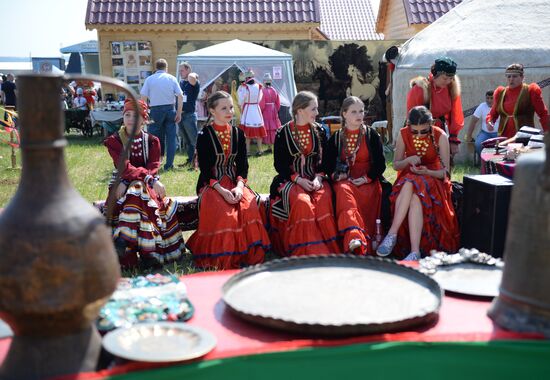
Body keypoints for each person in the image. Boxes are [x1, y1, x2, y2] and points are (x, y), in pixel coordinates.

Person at [187, 91, 270, 269]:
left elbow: (242, 165)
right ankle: (224, 256)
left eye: (231, 107)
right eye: (223, 108)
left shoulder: (238, 134)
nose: (229, 111)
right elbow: (205, 169)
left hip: (235, 181)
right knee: (225, 213)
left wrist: (240, 187)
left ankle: (247, 255)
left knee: (249, 206)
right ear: (212, 111)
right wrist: (223, 191)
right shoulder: (204, 135)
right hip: (212, 185)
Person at [104, 99, 185, 268]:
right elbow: (124, 167)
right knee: (138, 191)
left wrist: (142, 180)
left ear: (144, 119)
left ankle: (124, 240)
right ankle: (150, 253)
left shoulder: (153, 141)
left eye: (136, 115)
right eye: (127, 115)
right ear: (122, 117)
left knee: (138, 190)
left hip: (144, 186)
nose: (131, 119)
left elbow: (153, 167)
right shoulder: (114, 141)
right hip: (122, 184)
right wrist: (141, 180)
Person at [376, 106, 459, 260]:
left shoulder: (440, 136)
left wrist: (428, 172)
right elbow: (396, 165)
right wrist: (407, 160)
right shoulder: (403, 134)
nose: (419, 135)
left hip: (434, 179)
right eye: (415, 131)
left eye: (424, 131)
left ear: (431, 124)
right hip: (411, 177)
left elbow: (446, 173)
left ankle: (392, 234)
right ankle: (414, 251)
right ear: (409, 125)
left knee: (411, 183)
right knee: (413, 193)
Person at [268, 91, 341, 256]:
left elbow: (326, 161)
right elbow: (279, 164)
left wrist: (319, 177)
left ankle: (328, 250)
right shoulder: (283, 132)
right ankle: (305, 251)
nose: (317, 113)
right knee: (302, 203)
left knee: (324, 200)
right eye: (314, 109)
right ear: (300, 110)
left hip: (316, 178)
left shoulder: (320, 130)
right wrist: (298, 180)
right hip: (291, 180)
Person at [324, 96, 386, 255]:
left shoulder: (371, 135)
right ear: (344, 114)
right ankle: (353, 237)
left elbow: (380, 164)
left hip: (368, 180)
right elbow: (327, 165)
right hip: (346, 182)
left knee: (374, 192)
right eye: (354, 112)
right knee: (343, 191)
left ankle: (370, 240)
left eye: (361, 111)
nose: (359, 115)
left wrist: (366, 178)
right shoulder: (336, 138)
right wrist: (337, 176)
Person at [407, 57, 464, 158]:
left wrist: (453, 139)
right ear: (435, 75)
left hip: (441, 132)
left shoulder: (452, 89)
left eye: (451, 78)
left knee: (442, 165)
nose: (448, 82)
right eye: (445, 78)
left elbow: (456, 114)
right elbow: (411, 116)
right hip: (420, 132)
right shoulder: (420, 89)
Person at [140, 58, 184, 171]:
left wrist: (144, 112)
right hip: (170, 109)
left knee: (154, 138)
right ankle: (169, 165)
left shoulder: (149, 79)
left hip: (155, 110)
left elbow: (143, 97)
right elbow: (180, 96)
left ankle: (154, 163)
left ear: (156, 67)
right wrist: (179, 112)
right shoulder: (171, 78)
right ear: (166, 68)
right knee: (171, 138)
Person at [486, 63, 549, 139]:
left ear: (522, 77)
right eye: (509, 76)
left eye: (514, 76)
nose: (511, 79)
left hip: (525, 136)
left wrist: (547, 131)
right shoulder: (500, 93)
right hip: (504, 137)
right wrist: (490, 121)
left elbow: (543, 114)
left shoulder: (531, 90)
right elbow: (493, 114)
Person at [238, 69, 266, 155]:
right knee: (259, 130)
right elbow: (260, 98)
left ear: (246, 77)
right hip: (256, 108)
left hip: (248, 108)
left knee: (247, 131)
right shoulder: (259, 86)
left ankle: (248, 151)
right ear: (253, 76)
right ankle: (260, 150)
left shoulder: (244, 86)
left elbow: (241, 100)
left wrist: (241, 104)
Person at [178, 61, 200, 167]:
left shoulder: (193, 82)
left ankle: (198, 162)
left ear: (188, 70)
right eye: (179, 70)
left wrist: (193, 73)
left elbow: (192, 77)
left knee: (194, 141)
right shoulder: (182, 83)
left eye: (182, 70)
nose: (180, 72)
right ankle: (191, 160)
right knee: (187, 141)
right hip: (181, 115)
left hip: (189, 115)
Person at [465, 91, 499, 155]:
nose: (489, 100)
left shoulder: (500, 107)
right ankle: (483, 162)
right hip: (485, 133)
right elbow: (473, 121)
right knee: (478, 144)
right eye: (487, 98)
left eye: (491, 98)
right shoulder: (482, 106)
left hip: (498, 133)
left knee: (500, 147)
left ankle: (495, 163)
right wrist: (469, 136)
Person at [259, 72, 282, 151]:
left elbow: (262, 103)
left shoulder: (263, 91)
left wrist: (261, 110)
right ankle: (275, 145)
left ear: (264, 81)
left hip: (266, 110)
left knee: (268, 128)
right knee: (274, 128)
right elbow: (278, 103)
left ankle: (269, 147)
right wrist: (275, 109)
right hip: (273, 110)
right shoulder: (274, 90)